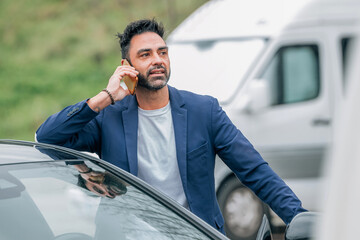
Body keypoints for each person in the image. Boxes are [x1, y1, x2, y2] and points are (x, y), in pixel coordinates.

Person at [36, 19, 306, 234]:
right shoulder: (109, 117)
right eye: (145, 54)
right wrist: (105, 97)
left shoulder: (204, 111)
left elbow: (254, 170)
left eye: (162, 52)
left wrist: (300, 219)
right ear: (126, 67)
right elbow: (48, 136)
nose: (157, 60)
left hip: (195, 234)